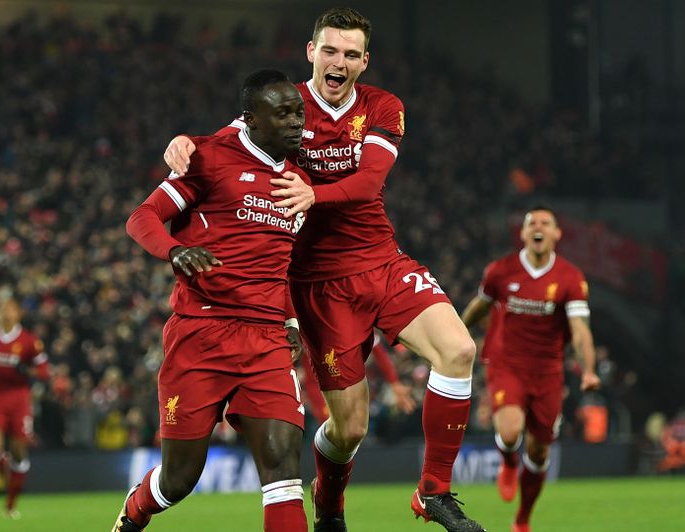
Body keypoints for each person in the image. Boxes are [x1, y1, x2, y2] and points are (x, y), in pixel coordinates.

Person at [163, 8, 484, 532]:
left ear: (364, 62)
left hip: (380, 260)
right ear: (311, 52)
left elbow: (367, 184)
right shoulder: (285, 105)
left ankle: (434, 491)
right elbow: (224, 148)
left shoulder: (383, 106)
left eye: (351, 54)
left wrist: (314, 193)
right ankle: (330, 505)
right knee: (350, 428)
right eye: (330, 50)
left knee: (460, 349)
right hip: (316, 285)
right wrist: (185, 142)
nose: (339, 62)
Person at [112, 69, 309, 532]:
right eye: (281, 113)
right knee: (179, 479)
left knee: (282, 466)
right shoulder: (210, 159)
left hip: (266, 341)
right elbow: (142, 217)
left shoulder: (300, 182)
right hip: (201, 334)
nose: (295, 122)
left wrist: (293, 322)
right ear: (250, 120)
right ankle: (136, 509)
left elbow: (282, 263)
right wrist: (175, 251)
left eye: (298, 111)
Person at [460, 206, 601, 532]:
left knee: (538, 453)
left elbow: (580, 330)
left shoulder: (570, 278)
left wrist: (589, 369)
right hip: (506, 363)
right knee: (510, 430)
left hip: (548, 371)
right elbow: (480, 305)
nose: (538, 228)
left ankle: (522, 519)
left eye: (545, 223)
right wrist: (458, 330)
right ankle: (508, 463)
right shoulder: (500, 271)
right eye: (531, 223)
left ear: (556, 234)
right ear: (523, 234)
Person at [0, 297, 50, 518]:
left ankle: (10, 504)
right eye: (3, 308)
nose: (6, 312)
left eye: (11, 309)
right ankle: (1, 466)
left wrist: (27, 372)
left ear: (19, 314)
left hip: (19, 399)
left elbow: (44, 372)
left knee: (19, 451)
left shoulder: (29, 341)